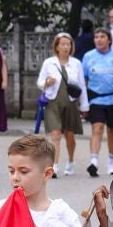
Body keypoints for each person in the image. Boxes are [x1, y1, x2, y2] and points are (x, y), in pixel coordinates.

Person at [0, 134, 84, 227]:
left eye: (24, 171)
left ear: (47, 173)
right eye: (11, 171)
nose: (15, 177)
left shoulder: (62, 213)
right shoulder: (1, 210)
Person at [81, 27, 113, 179]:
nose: (99, 39)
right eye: (96, 37)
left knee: (112, 130)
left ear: (109, 40)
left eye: (102, 36)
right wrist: (83, 102)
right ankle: (94, 161)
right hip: (96, 98)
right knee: (97, 128)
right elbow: (83, 80)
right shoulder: (88, 56)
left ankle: (111, 161)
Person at [37, 32, 85, 175]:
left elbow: (82, 85)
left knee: (69, 135)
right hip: (53, 103)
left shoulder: (76, 63)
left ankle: (70, 161)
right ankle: (55, 165)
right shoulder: (49, 63)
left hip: (70, 103)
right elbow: (40, 82)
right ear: (56, 46)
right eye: (62, 44)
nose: (65, 47)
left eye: (68, 44)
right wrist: (46, 82)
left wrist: (84, 106)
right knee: (55, 134)